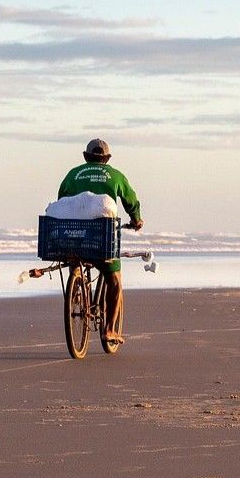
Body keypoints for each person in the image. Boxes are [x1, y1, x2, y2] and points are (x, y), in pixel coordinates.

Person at [58, 138, 142, 344]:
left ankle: (77, 289)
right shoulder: (115, 175)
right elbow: (131, 200)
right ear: (107, 158)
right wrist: (136, 219)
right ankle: (109, 330)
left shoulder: (73, 174)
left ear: (86, 157)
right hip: (102, 238)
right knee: (115, 282)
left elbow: (62, 200)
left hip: (73, 236)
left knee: (75, 255)